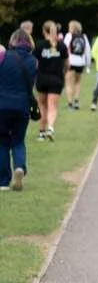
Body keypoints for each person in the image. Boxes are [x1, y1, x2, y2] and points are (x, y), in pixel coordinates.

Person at [0, 29, 37, 191]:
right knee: (18, 141)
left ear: (12, 41)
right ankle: (19, 167)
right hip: (22, 106)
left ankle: (3, 181)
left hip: (2, 105)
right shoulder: (33, 61)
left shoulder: (3, 57)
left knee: (2, 142)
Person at [32, 21, 68, 141]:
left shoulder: (39, 45)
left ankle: (41, 133)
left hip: (42, 79)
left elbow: (35, 63)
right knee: (52, 106)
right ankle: (50, 128)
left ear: (44, 31)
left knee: (42, 105)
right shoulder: (61, 46)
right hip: (56, 79)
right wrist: (63, 72)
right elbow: (67, 64)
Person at [63, 20, 92, 110]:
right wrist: (88, 65)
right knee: (77, 82)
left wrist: (62, 62)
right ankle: (76, 101)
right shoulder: (84, 36)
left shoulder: (69, 36)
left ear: (72, 27)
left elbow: (64, 48)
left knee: (68, 83)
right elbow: (88, 51)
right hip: (81, 63)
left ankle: (70, 103)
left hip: (71, 62)